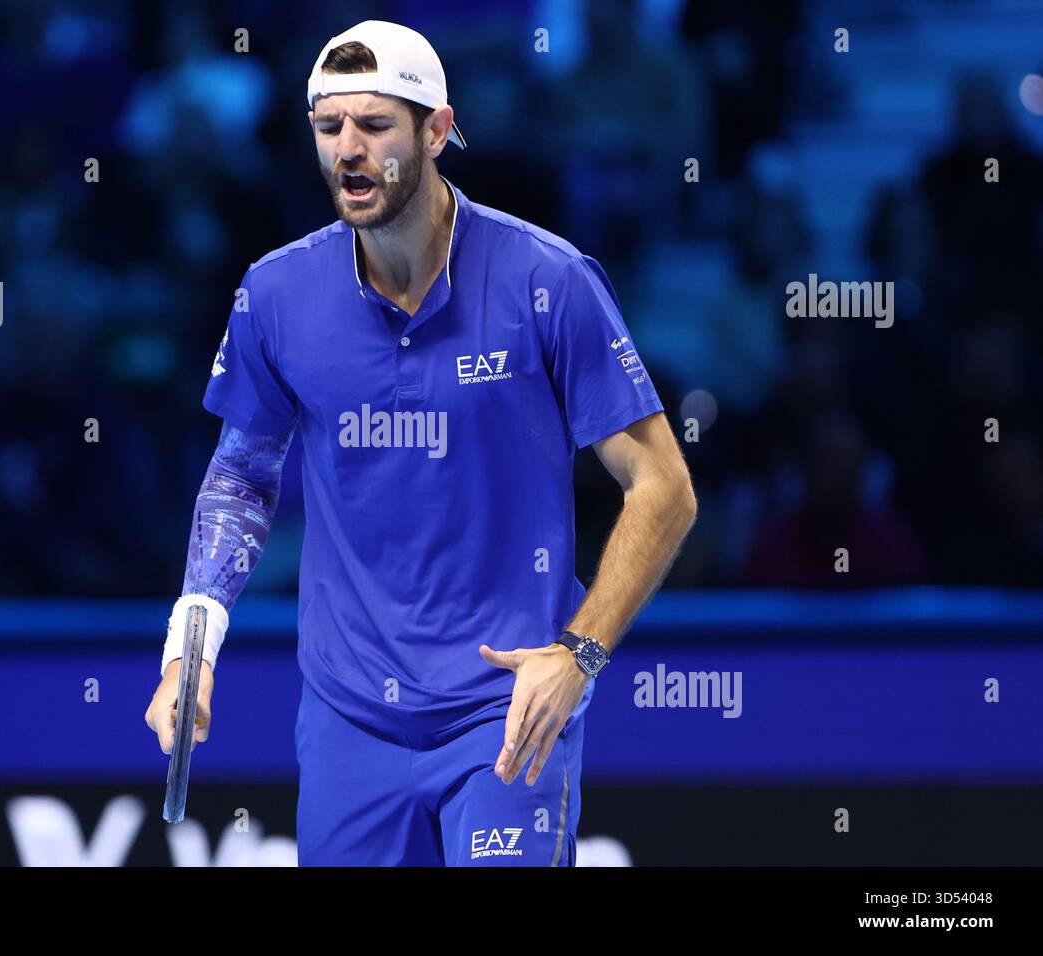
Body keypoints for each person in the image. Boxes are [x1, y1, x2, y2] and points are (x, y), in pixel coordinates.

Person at [145, 20, 697, 866]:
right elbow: (244, 474)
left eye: (375, 127)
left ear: (437, 130)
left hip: (505, 711)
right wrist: (194, 640)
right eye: (330, 129)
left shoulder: (547, 281)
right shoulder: (278, 292)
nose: (348, 152)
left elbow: (663, 485)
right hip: (347, 718)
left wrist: (579, 655)